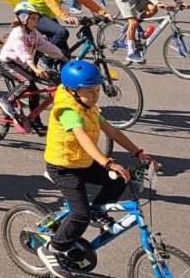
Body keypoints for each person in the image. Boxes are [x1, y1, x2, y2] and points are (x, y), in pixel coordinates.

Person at [37, 60, 159, 278]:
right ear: (72, 91)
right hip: (64, 167)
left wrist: (138, 152)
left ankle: (99, 210)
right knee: (80, 216)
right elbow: (83, 139)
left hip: (82, 162)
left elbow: (112, 130)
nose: (95, 96)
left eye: (97, 90)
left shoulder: (90, 107)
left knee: (120, 179)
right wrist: (107, 162)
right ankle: (52, 249)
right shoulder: (69, 111)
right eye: (90, 92)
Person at [0, 2, 64, 135]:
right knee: (27, 82)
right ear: (23, 18)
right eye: (33, 19)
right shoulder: (18, 33)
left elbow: (46, 46)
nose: (36, 22)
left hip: (22, 64)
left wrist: (63, 57)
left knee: (35, 91)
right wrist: (35, 68)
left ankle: (35, 122)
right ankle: (6, 100)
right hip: (7, 64)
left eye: (37, 19)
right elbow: (23, 53)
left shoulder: (34, 33)